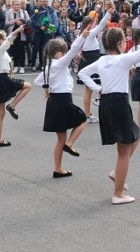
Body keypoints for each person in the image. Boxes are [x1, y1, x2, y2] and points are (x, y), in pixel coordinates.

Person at [79, 21, 140, 204]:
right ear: (120, 43)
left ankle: (117, 174)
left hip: (106, 103)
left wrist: (98, 89)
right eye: (124, 41)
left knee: (136, 135)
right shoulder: (122, 59)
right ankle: (118, 193)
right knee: (124, 151)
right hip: (119, 104)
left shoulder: (102, 60)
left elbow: (82, 73)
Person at [35, 23, 93, 178]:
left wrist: (49, 85)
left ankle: (58, 168)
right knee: (82, 119)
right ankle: (70, 144)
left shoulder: (48, 67)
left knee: (60, 138)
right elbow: (74, 50)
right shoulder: (60, 64)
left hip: (53, 101)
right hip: (63, 100)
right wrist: (82, 36)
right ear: (59, 53)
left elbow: (38, 82)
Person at [0, 27, 32, 146]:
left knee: (1, 114)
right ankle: (12, 105)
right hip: (3, 79)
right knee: (28, 86)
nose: (6, 41)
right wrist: (17, 31)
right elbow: (8, 40)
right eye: (3, 39)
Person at [5, 0, 30, 73]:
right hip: (13, 34)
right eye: (16, 4)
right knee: (14, 50)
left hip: (22, 34)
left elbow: (29, 21)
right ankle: (16, 65)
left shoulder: (24, 12)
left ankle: (22, 66)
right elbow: (6, 23)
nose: (17, 6)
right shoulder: (8, 12)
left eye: (19, 4)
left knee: (21, 50)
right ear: (12, 5)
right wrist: (14, 21)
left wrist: (22, 22)